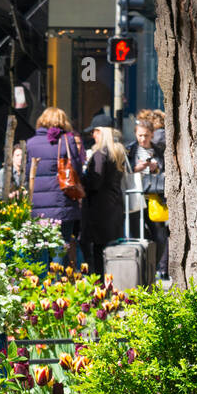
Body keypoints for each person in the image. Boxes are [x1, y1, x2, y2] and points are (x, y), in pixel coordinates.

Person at [28, 107, 85, 264]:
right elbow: (76, 170)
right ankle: (57, 285)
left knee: (40, 248)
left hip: (37, 207)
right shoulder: (67, 140)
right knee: (61, 246)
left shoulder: (30, 144)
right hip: (63, 205)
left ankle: (40, 285)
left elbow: (27, 173)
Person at [83, 111, 125, 276]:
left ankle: (101, 293)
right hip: (114, 208)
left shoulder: (100, 154)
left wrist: (82, 178)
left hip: (99, 211)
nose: (93, 135)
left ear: (101, 132)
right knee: (112, 254)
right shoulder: (118, 152)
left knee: (99, 256)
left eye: (94, 131)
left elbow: (95, 182)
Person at [126, 113, 167, 272]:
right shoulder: (130, 150)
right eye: (140, 135)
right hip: (136, 196)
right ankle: (141, 268)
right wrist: (136, 169)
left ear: (152, 135)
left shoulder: (158, 150)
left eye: (146, 136)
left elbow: (164, 171)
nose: (143, 139)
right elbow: (124, 172)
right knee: (137, 235)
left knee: (159, 236)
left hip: (154, 198)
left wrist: (155, 168)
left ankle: (153, 266)